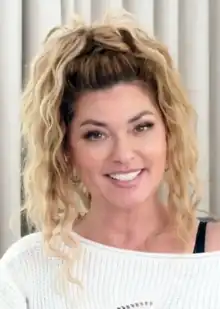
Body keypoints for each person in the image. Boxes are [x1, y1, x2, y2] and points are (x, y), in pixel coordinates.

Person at [0, 10, 220, 309]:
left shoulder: (213, 258)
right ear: (66, 150)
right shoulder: (25, 270)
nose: (124, 154)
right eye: (96, 135)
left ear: (169, 134)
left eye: (141, 127)